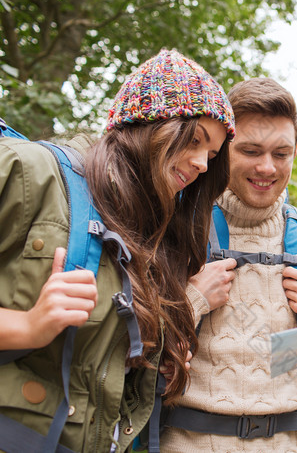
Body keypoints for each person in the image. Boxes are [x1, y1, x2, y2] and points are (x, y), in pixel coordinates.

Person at [0, 49, 235, 452]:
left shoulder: (148, 236)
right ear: (145, 124)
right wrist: (26, 327)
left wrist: (152, 358)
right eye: (194, 139)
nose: (200, 163)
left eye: (211, 156)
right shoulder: (28, 170)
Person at [159, 77, 297, 452]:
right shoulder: (175, 232)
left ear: (295, 151)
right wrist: (194, 300)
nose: (267, 167)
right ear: (222, 150)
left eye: (281, 154)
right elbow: (134, 359)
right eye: (250, 150)